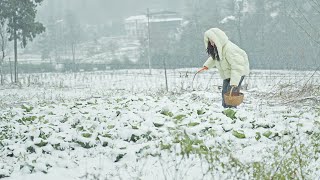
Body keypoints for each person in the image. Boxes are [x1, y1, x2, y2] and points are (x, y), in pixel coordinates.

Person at [198, 28, 250, 108]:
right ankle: (225, 109)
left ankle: (231, 111)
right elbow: (214, 58)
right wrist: (206, 66)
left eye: (212, 41)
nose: (211, 44)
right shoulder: (219, 48)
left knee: (231, 93)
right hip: (228, 73)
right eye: (210, 42)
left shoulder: (230, 49)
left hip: (237, 73)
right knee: (224, 92)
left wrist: (234, 83)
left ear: (218, 39)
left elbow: (237, 67)